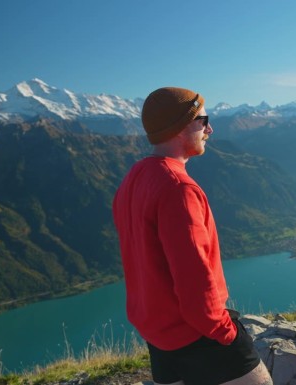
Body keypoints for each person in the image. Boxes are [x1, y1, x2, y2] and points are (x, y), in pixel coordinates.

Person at [112, 87, 273, 385]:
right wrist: (225, 329)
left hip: (158, 334)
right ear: (179, 127)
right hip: (197, 334)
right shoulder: (178, 189)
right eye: (202, 120)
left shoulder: (134, 178)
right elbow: (194, 278)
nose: (209, 129)